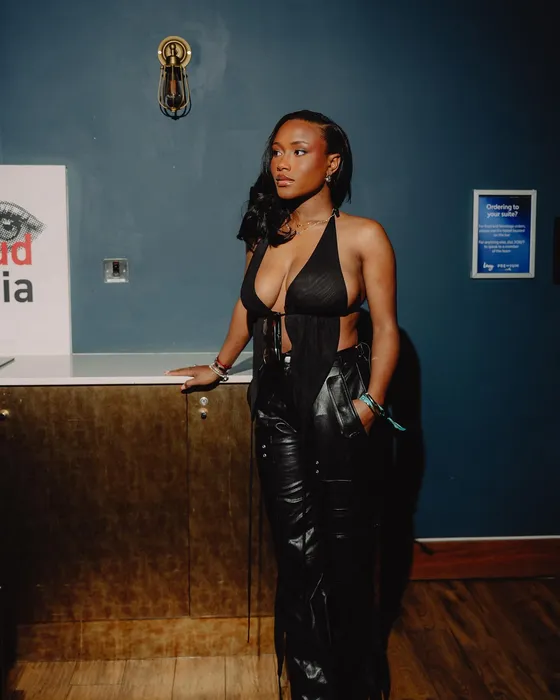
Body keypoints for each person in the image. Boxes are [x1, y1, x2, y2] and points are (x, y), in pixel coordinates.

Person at [166, 110, 401, 700]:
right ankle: (310, 688)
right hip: (274, 399)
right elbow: (247, 309)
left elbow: (387, 328)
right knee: (296, 553)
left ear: (332, 163)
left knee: (347, 553)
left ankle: (357, 686)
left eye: (298, 150)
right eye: (276, 151)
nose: (282, 163)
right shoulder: (265, 233)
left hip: (338, 396)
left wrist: (371, 402)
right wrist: (220, 366)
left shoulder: (363, 235)